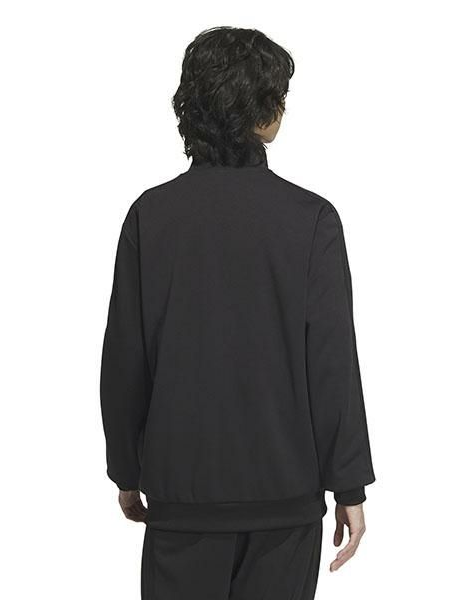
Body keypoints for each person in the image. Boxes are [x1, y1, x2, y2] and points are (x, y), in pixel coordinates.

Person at [100, 26, 376, 600]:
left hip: (182, 499)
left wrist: (126, 469)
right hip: (286, 503)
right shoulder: (312, 220)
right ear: (262, 111)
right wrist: (348, 484)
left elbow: (125, 359)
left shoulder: (151, 217)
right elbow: (331, 365)